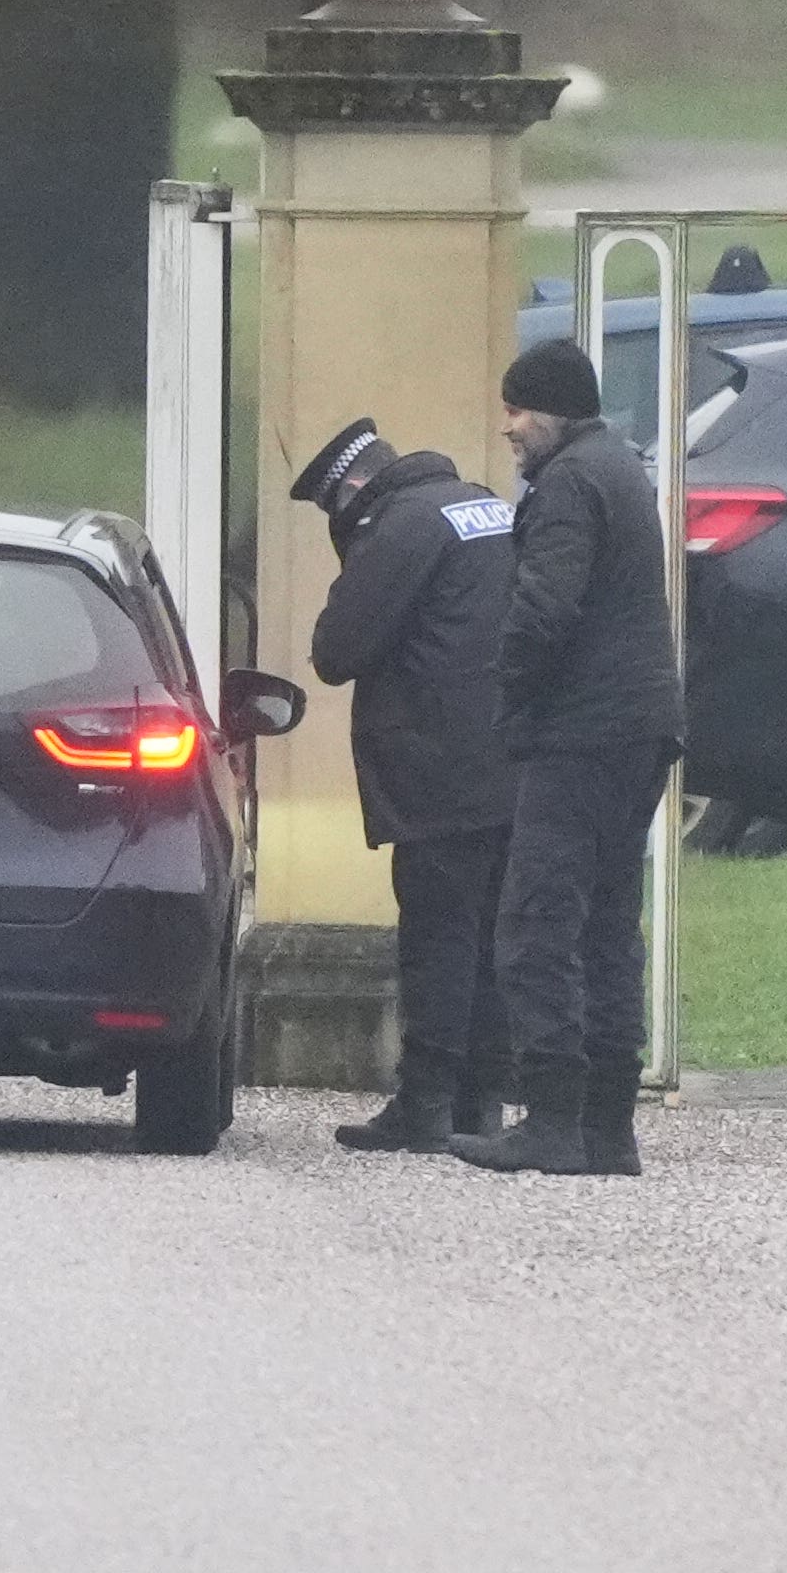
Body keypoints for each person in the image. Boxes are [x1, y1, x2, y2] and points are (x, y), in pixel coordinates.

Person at [451, 338, 683, 1179]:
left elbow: (545, 608)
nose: (508, 426)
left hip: (581, 733)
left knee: (536, 923)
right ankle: (608, 1126)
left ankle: (552, 1118)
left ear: (552, 410)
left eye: (517, 409)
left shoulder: (567, 487)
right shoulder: (618, 469)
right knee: (609, 927)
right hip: (641, 727)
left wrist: (510, 700)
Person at [292, 415, 518, 1154]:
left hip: (438, 769)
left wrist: (354, 559)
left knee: (438, 939)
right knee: (491, 938)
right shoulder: (483, 504)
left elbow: (335, 649)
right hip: (511, 760)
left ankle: (424, 1103)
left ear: (350, 493)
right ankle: (480, 1102)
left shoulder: (400, 529)